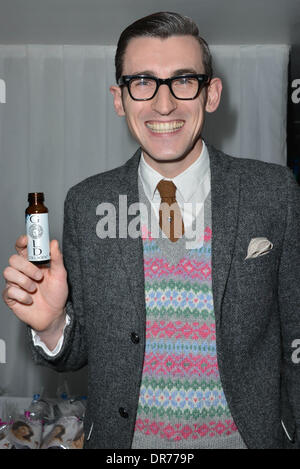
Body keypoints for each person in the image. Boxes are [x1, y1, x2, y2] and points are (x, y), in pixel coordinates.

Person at [2, 11, 300, 449]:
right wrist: (52, 326)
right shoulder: (86, 205)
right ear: (119, 99)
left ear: (211, 94)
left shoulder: (274, 192)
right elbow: (81, 350)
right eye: (142, 82)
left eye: (184, 80)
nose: (164, 104)